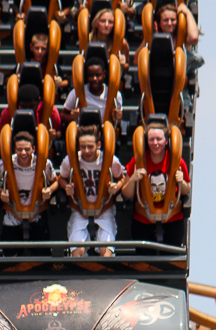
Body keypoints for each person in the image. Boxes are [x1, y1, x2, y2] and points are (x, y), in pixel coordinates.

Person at [122, 118, 190, 247]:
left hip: (171, 217)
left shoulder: (177, 161)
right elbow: (126, 194)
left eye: (159, 139)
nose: (155, 143)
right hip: (144, 218)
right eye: (151, 140)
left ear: (166, 140)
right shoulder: (137, 161)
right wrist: (133, 179)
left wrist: (181, 181)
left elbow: (186, 191)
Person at [58, 125, 124, 256]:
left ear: (98, 145)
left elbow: (121, 178)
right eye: (83, 147)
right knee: (77, 253)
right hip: (79, 208)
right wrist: (66, 187)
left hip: (104, 208)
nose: (86, 151)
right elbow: (61, 178)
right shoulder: (71, 160)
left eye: (90, 147)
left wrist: (115, 187)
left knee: (106, 253)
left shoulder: (110, 160)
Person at [0, 130, 57, 253]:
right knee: (10, 254)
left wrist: (49, 190)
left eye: (27, 149)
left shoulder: (44, 163)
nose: (23, 153)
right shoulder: (5, 163)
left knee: (42, 255)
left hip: (36, 212)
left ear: (33, 149)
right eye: (20, 149)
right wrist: (1, 192)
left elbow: (56, 181)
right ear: (14, 149)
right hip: (13, 212)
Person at [133, 2, 200, 67]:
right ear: (159, 23)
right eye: (165, 20)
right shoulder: (153, 38)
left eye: (173, 20)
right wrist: (150, 35)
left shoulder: (182, 37)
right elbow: (136, 60)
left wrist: (187, 12)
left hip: (180, 72)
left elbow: (194, 38)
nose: (169, 23)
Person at [61, 56, 123, 125]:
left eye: (98, 75)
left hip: (105, 129)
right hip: (83, 129)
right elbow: (63, 115)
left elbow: (118, 122)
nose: (94, 79)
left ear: (104, 74)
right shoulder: (77, 92)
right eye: (91, 75)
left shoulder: (115, 95)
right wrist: (72, 117)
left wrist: (117, 117)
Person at [88, 8, 130, 73]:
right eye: (103, 21)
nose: (106, 25)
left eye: (110, 22)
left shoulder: (121, 43)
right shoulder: (88, 40)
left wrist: (122, 64)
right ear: (96, 23)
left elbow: (127, 67)